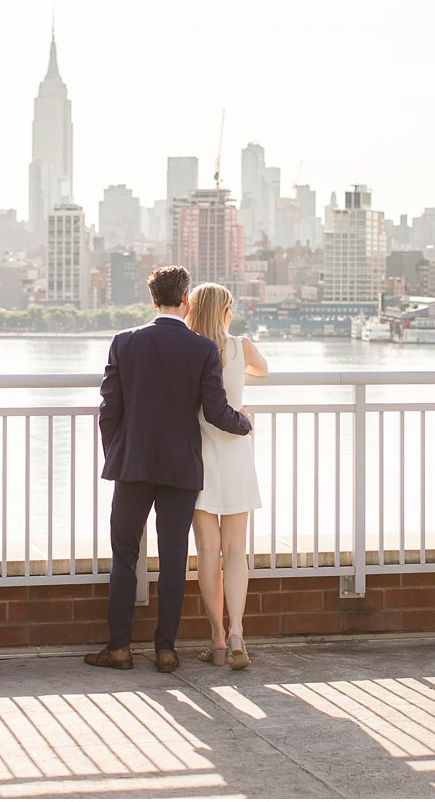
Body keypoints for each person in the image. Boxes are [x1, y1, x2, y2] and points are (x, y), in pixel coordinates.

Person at [85, 265, 253, 674]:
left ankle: (120, 647)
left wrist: (118, 454)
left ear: (152, 300)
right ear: (185, 300)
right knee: (175, 559)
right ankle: (166, 650)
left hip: (132, 465)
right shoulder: (200, 350)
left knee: (125, 557)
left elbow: (109, 410)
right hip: (181, 468)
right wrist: (245, 423)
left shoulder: (124, 342)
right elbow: (216, 411)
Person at [186, 282, 268, 671]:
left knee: (207, 551)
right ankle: (237, 631)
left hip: (199, 454)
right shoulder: (241, 346)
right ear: (226, 310)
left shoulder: (188, 349)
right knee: (236, 550)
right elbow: (262, 371)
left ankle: (216, 638)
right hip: (237, 451)